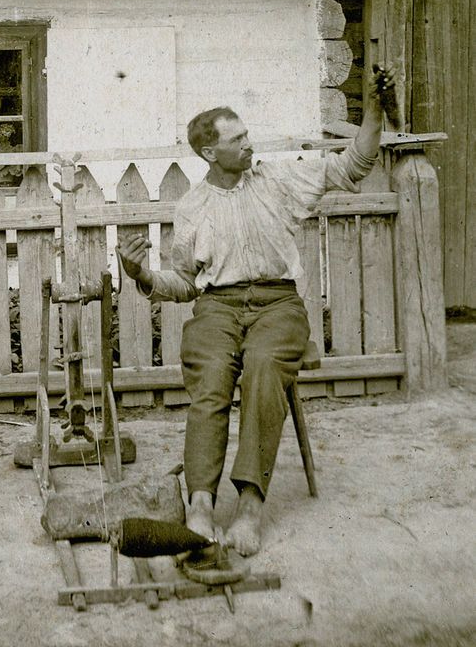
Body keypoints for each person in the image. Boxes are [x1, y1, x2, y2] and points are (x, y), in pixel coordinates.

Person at [117, 80, 389, 556]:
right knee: (211, 374)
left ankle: (249, 507)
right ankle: (201, 504)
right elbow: (184, 283)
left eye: (247, 135)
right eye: (236, 139)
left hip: (279, 305)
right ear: (208, 152)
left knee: (264, 368)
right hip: (217, 307)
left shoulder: (280, 181)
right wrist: (139, 273)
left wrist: (373, 110)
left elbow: (355, 163)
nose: (249, 143)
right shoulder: (192, 208)